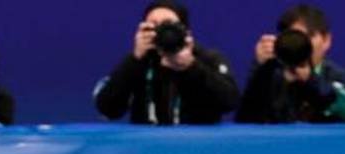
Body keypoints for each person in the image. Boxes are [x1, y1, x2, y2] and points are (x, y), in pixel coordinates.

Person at [93, 1, 240, 125]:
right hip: (146, 148)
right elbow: (108, 109)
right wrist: (134, 60)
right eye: (153, 25)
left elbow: (229, 102)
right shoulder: (138, 63)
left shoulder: (207, 58)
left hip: (196, 146)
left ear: (185, 30)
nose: (163, 32)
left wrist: (191, 67)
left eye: (168, 25)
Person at [237, 4, 345, 124]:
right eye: (295, 37)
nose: (303, 44)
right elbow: (246, 120)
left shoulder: (343, 78)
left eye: (309, 36)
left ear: (326, 40)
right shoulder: (270, 74)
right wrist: (262, 71)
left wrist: (310, 80)